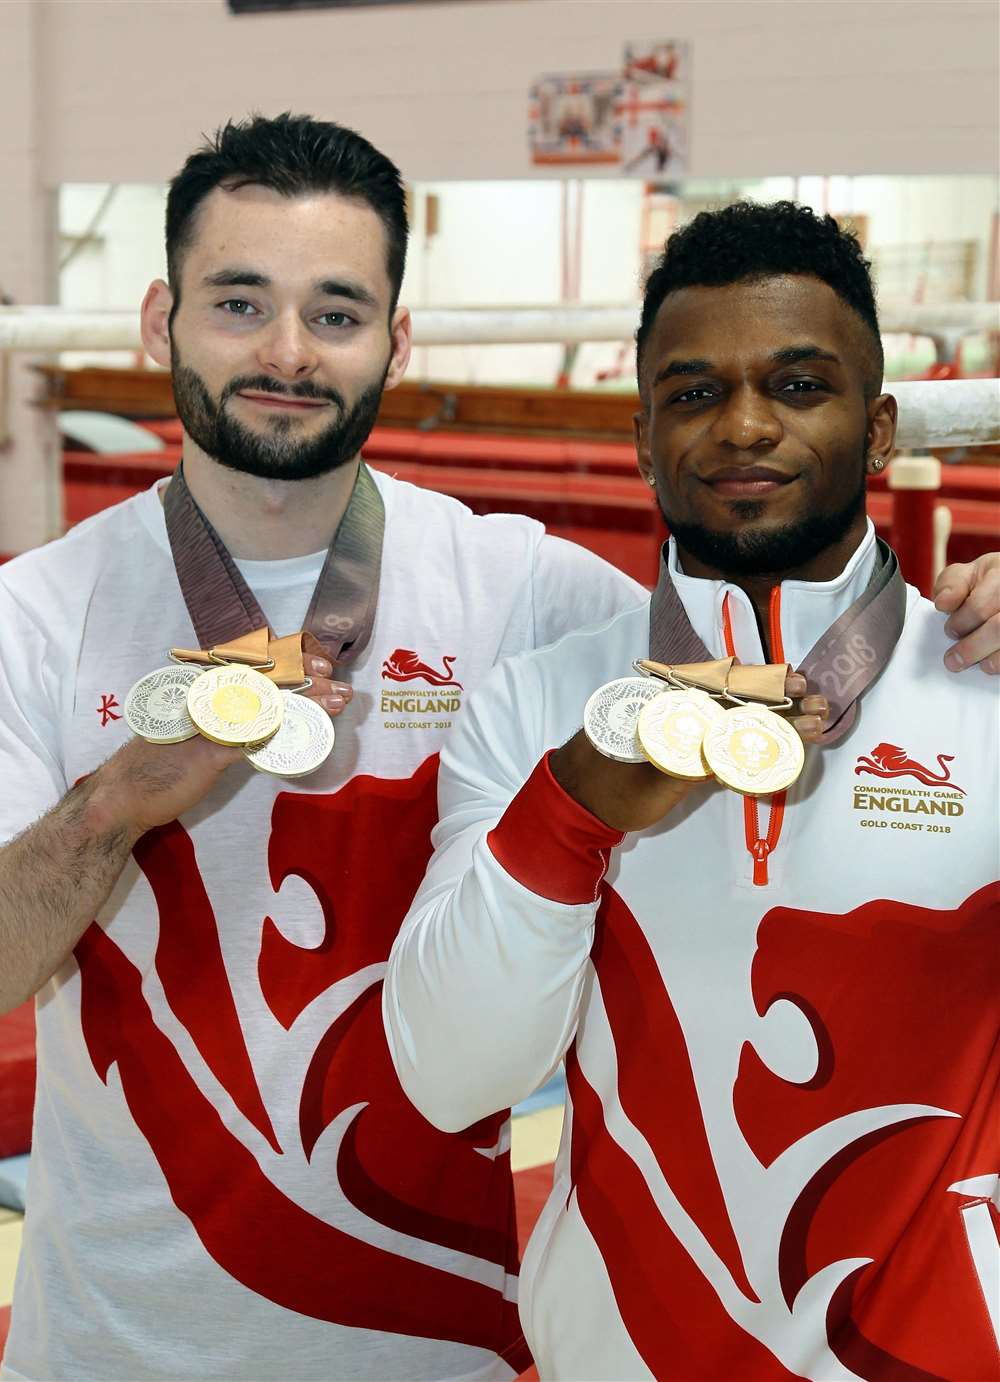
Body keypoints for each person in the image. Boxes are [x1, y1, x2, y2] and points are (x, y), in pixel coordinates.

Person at [0, 123, 994, 1382]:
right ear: (161, 318)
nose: (284, 351)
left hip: (449, 1351)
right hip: (112, 1343)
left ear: (396, 340)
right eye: (238, 302)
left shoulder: (527, 598)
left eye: (335, 311)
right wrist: (113, 806)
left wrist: (951, 625)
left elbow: (761, 612)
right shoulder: (39, 610)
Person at [384, 202, 999, 1381]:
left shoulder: (986, 683)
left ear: (877, 430)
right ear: (643, 433)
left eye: (799, 383)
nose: (746, 426)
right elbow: (450, 1076)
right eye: (695, 391)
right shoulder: (539, 702)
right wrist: (569, 813)